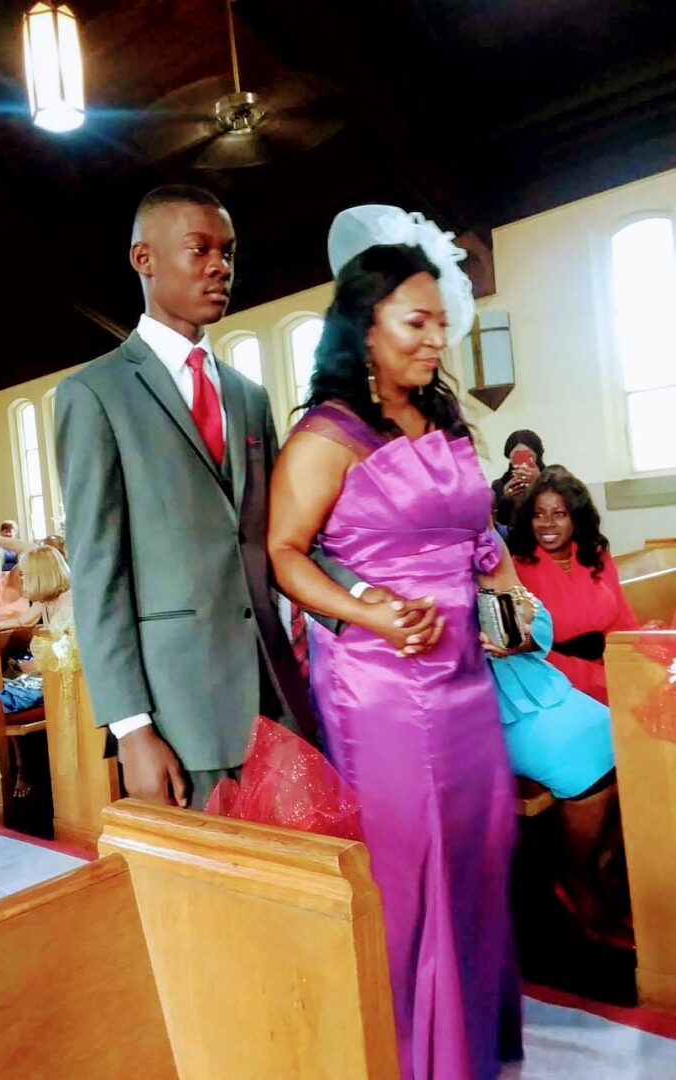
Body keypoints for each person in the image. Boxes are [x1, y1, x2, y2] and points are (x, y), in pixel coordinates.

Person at [267, 205, 523, 1079]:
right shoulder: (327, 436)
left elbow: (470, 531)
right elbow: (283, 554)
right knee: (414, 869)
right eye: (415, 323)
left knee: (481, 849)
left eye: (439, 324)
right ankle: (416, 1052)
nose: (432, 342)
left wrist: (499, 582)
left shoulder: (439, 419)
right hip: (384, 685)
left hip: (463, 678)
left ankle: (473, 1041)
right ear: (363, 326)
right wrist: (368, 611)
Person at [55, 184, 366, 810]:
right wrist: (132, 727)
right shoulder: (96, 394)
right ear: (144, 259)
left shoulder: (247, 395)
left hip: (272, 686)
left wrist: (361, 600)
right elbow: (98, 573)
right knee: (217, 895)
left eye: (228, 252)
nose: (221, 266)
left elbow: (278, 534)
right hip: (181, 710)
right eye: (200, 250)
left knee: (302, 884)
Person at [486, 600, 627, 944]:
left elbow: (534, 612)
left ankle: (605, 863)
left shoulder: (482, 552)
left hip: (538, 683)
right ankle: (576, 876)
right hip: (479, 706)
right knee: (586, 766)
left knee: (623, 742)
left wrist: (524, 636)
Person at [510, 468, 639, 704]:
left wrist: (630, 665)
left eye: (559, 513)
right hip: (555, 680)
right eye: (538, 515)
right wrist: (596, 677)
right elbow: (529, 649)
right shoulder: (516, 568)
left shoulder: (595, 555)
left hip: (610, 665)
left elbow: (622, 617)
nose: (547, 524)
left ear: (576, 518)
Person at [491, 429, 546, 527]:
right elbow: (497, 526)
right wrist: (506, 500)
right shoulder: (499, 486)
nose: (522, 461)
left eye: (527, 456)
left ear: (537, 455)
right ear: (509, 457)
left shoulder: (552, 478)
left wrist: (540, 483)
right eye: (517, 456)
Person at [19, 545, 73, 628]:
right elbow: (24, 621)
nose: (22, 578)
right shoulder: (44, 598)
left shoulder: (69, 600)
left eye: (25, 574)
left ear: (41, 577)